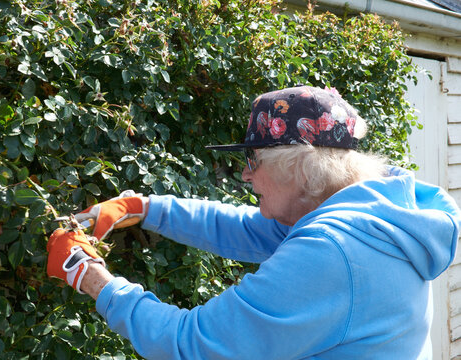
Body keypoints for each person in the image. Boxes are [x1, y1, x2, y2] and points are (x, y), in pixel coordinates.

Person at [46, 85, 461, 359]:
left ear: (297, 167)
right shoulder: (371, 210)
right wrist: (142, 207)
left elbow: (191, 344)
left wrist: (87, 275)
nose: (246, 175)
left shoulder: (332, 252)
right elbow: (242, 228)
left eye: (254, 161)